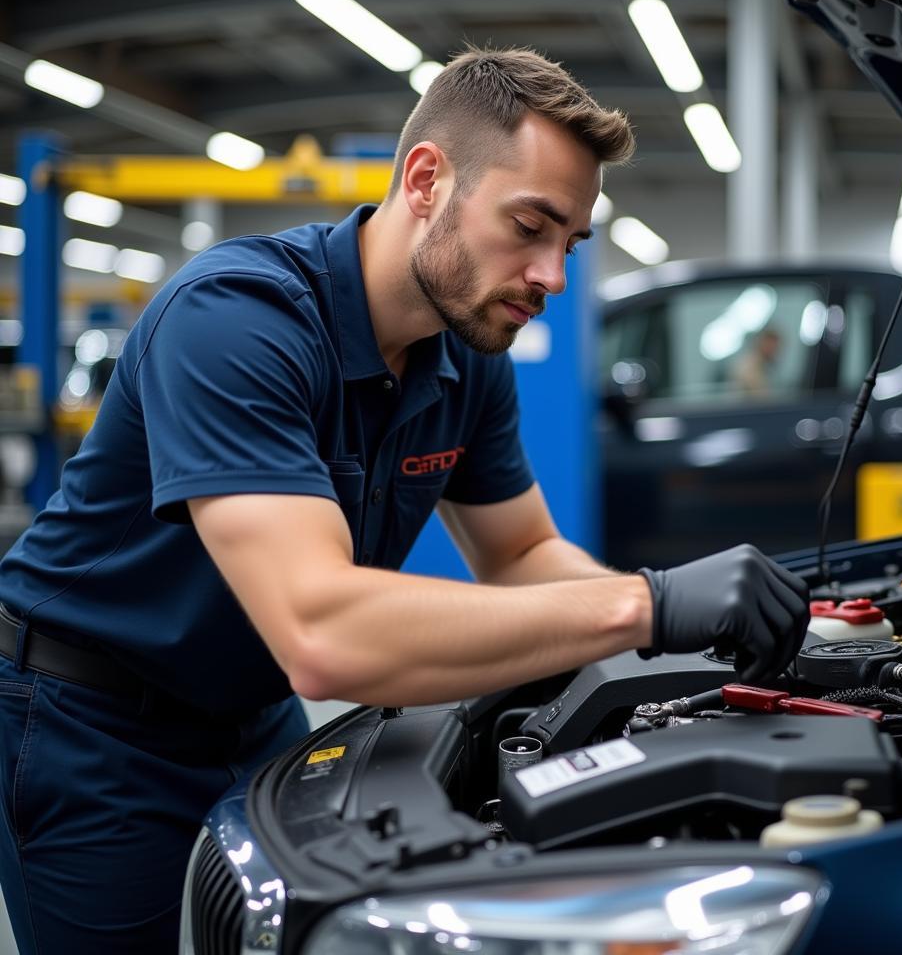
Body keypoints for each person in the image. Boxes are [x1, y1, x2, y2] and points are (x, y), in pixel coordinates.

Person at [0, 47, 808, 953]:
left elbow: (520, 555)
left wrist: (662, 653)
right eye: (530, 226)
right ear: (427, 179)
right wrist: (646, 604)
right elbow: (321, 631)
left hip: (253, 709)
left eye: (570, 243)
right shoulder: (236, 319)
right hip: (95, 722)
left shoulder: (466, 352)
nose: (554, 276)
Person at [732, 325, 783, 397]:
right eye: (771, 345)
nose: (775, 350)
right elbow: (762, 396)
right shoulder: (749, 366)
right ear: (761, 343)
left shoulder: (766, 365)